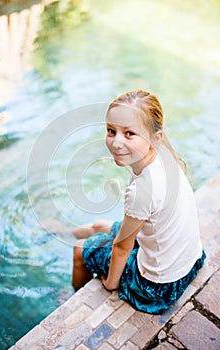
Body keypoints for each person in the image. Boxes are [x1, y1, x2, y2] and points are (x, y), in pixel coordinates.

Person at [72, 89, 206, 314]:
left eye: (129, 133)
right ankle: (69, 231)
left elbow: (123, 247)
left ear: (155, 137)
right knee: (101, 226)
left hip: (157, 287)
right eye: (111, 131)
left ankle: (73, 297)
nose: (116, 143)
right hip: (190, 262)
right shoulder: (164, 155)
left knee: (79, 250)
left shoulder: (143, 189)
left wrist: (110, 284)